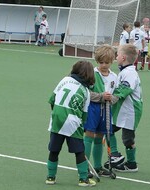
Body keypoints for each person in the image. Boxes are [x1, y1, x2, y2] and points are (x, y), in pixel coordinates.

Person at [46, 60, 96, 187]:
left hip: (56, 119)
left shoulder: (64, 80)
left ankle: (50, 177)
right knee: (79, 151)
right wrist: (82, 127)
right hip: (73, 122)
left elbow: (52, 99)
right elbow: (84, 114)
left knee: (54, 150)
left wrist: (57, 113)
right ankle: (83, 179)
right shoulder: (85, 91)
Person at [83, 45, 123, 178]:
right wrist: (100, 96)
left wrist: (112, 99)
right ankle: (84, 166)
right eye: (101, 62)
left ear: (112, 61)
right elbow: (86, 92)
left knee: (100, 137)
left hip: (106, 109)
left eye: (107, 62)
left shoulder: (114, 76)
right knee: (89, 135)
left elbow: (117, 93)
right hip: (93, 108)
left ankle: (98, 166)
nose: (104, 65)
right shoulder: (92, 74)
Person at [105, 44, 143, 172]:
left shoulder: (130, 73)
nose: (116, 57)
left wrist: (112, 98)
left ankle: (131, 163)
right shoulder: (124, 72)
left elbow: (125, 89)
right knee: (108, 128)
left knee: (127, 138)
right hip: (122, 109)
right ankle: (115, 155)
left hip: (130, 111)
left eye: (117, 55)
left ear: (123, 57)